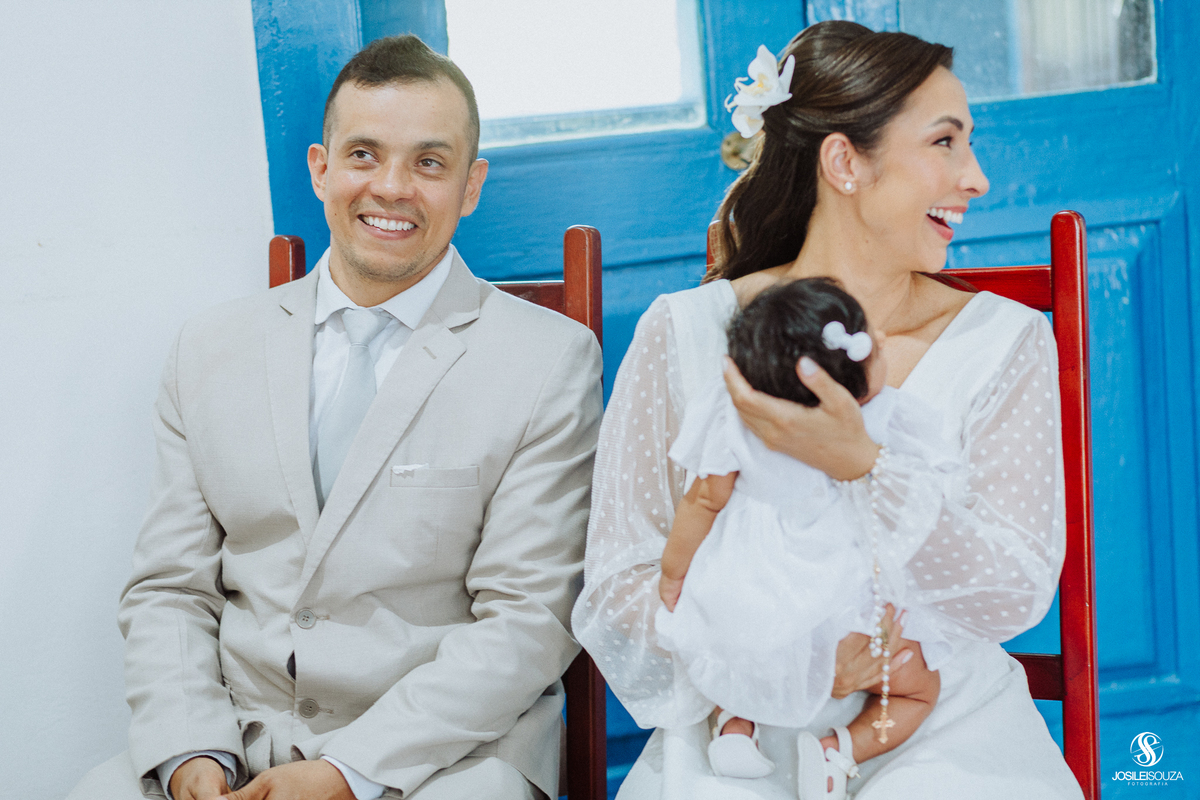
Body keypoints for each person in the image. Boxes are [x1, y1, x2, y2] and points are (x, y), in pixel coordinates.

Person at [67, 34, 602, 800]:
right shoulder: (207, 349)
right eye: (363, 155)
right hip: (235, 746)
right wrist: (192, 753)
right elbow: (169, 590)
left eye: (428, 161)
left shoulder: (549, 360)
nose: (391, 187)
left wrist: (343, 773)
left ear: (471, 184)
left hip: (445, 759)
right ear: (321, 169)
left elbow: (527, 622)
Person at [572, 21, 1084, 800]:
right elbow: (618, 590)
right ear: (845, 161)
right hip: (736, 727)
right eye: (945, 143)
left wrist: (866, 466)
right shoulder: (683, 331)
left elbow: (1012, 591)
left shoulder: (1002, 341)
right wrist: (781, 652)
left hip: (942, 723)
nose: (975, 177)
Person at [656, 279, 947, 793]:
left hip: (751, 597)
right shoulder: (889, 419)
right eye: (873, 341)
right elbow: (920, 502)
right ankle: (839, 749)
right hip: (847, 603)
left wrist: (674, 574)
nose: (879, 335)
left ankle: (736, 726)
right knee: (915, 691)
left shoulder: (735, 415)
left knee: (732, 656)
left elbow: (704, 499)